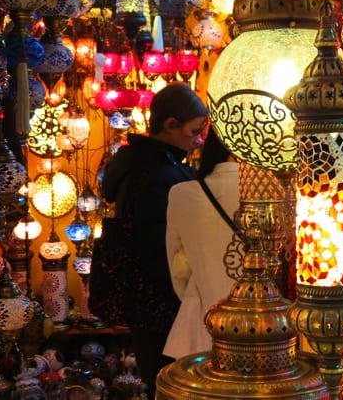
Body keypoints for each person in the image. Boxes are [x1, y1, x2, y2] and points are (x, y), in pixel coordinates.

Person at [100, 82, 208, 394]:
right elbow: (160, 246)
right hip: (163, 300)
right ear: (170, 125)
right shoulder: (160, 175)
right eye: (194, 132)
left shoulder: (142, 165)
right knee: (172, 380)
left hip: (143, 300)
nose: (199, 140)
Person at [164, 128, 241, 358]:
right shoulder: (279, 191)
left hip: (203, 327)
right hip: (269, 329)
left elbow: (178, 269)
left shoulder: (182, 194)